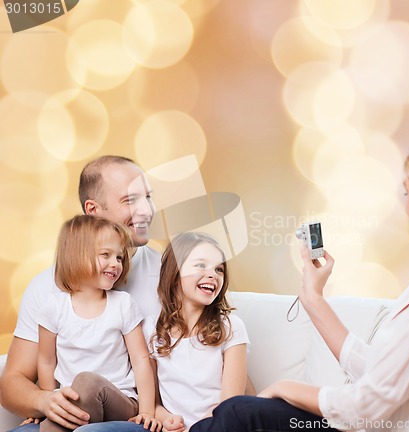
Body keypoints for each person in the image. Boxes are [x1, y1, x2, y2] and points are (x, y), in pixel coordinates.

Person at [190, 131, 409, 432]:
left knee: (239, 412)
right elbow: (380, 372)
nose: (406, 208)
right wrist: (313, 296)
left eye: (408, 193)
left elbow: (365, 407)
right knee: (233, 414)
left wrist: (284, 388)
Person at [1, 156, 161, 431]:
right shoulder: (47, 290)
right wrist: (45, 400)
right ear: (93, 210)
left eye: (148, 197)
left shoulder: (172, 275)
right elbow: (13, 382)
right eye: (130, 200)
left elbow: (220, 343)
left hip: (129, 414)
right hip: (72, 412)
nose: (146, 210)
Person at [29, 215, 159, 431]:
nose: (115, 263)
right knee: (76, 394)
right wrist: (49, 405)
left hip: (120, 402)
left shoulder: (122, 305)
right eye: (105, 255)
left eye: (119, 257)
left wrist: (146, 412)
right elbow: (46, 362)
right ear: (76, 256)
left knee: (87, 382)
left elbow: (141, 361)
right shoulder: (53, 308)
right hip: (75, 402)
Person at [145, 232, 249, 432]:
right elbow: (152, 403)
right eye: (201, 265)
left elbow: (230, 406)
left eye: (219, 269)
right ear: (175, 273)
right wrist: (167, 420)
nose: (213, 274)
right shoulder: (152, 329)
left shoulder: (231, 328)